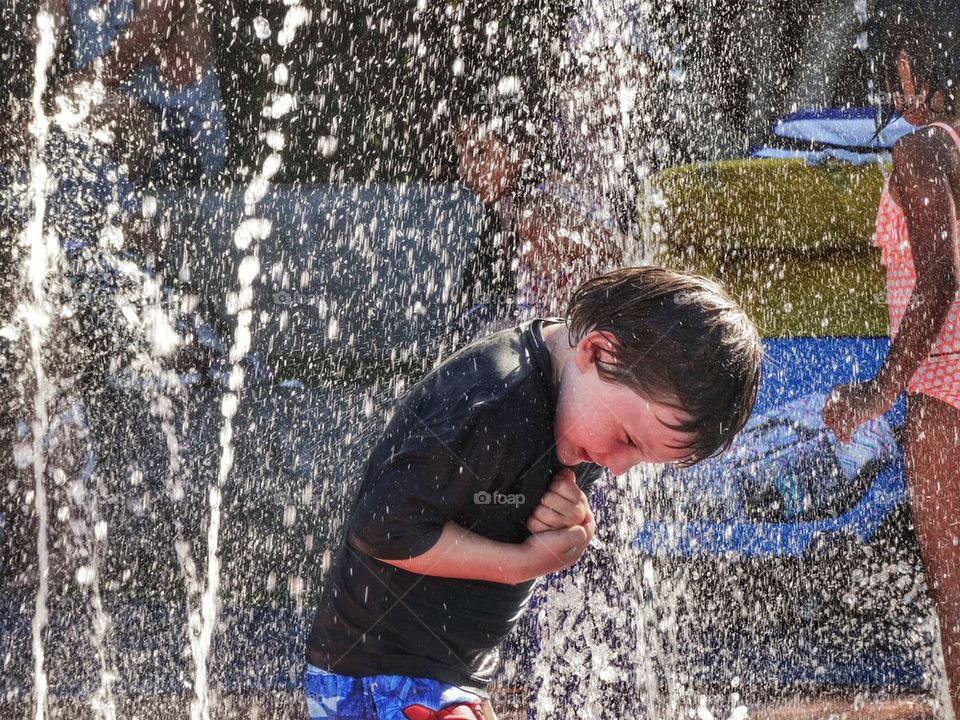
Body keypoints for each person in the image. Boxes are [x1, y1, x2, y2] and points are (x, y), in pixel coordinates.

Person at [305, 266, 763, 719]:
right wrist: (526, 563)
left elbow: (511, 507)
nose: (619, 467)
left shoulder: (580, 403)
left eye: (641, 458)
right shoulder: (495, 400)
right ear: (596, 351)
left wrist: (572, 520)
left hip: (442, 679)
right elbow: (382, 528)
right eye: (626, 439)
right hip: (381, 676)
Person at [821, 0, 960, 712]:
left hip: (946, 390)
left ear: (911, 69)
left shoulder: (922, 149)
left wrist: (879, 390)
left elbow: (940, 276)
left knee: (956, 598)